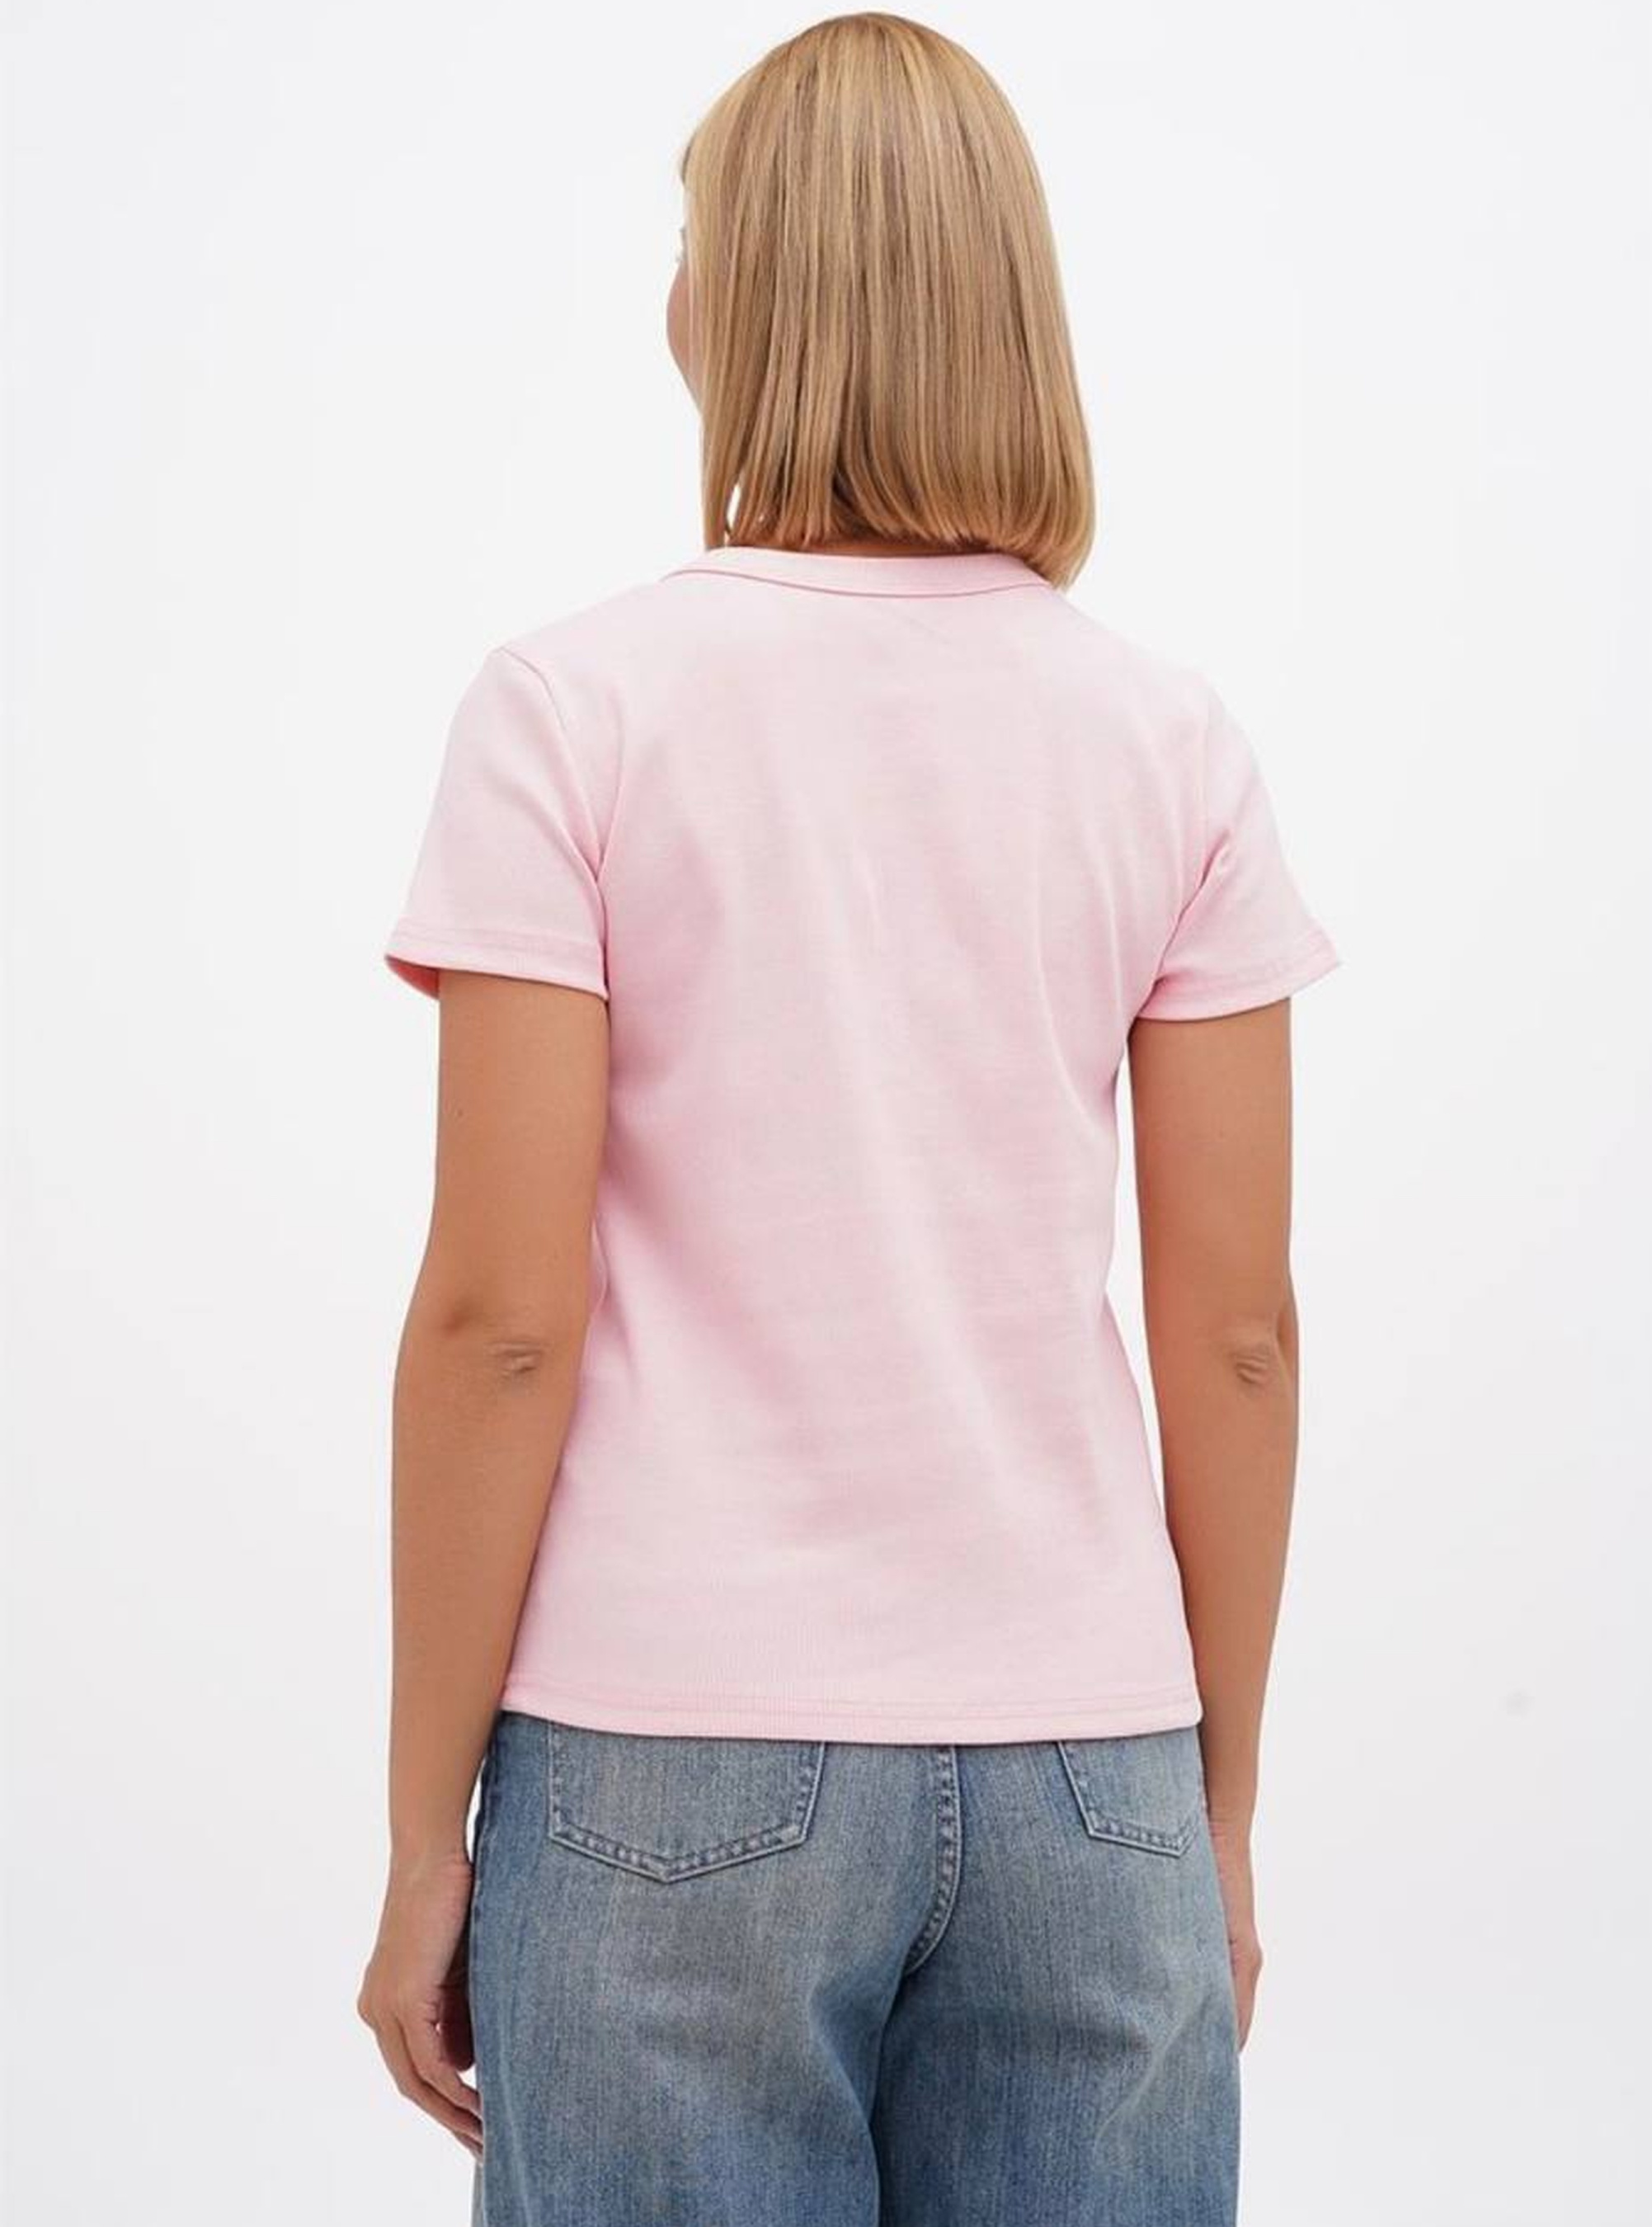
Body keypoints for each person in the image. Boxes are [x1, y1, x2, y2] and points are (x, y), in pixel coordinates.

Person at [357, 13, 1342, 2224]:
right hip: (1091, 1765)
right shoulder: (1164, 738)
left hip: (659, 1760)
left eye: (689, 237)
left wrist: (428, 1839)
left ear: (740, 299)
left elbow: (498, 1320)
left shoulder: (572, 710)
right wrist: (1214, 1809)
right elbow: (1239, 1333)